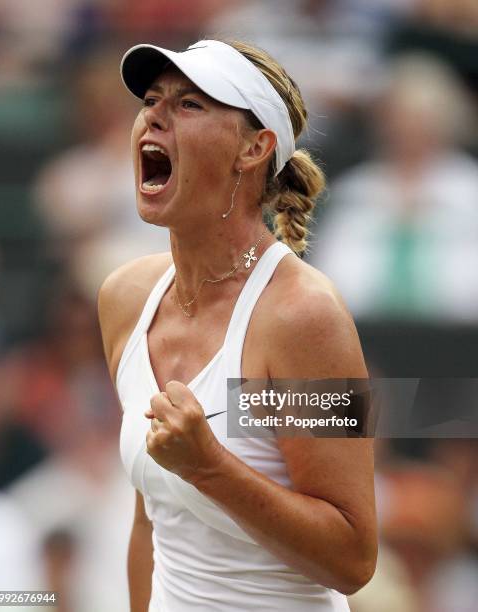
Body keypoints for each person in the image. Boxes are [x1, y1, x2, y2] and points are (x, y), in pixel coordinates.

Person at [98, 38, 377, 612]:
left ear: (254, 148)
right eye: (152, 100)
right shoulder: (125, 298)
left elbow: (351, 560)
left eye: (189, 105)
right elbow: (152, 518)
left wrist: (209, 467)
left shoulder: (303, 316)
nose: (154, 114)